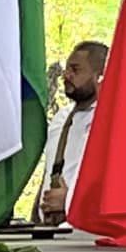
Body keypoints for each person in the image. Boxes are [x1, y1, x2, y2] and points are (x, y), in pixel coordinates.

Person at [35, 40, 108, 226]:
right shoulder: (61, 118)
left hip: (85, 234)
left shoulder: (111, 122)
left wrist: (70, 201)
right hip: (49, 230)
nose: (67, 75)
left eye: (76, 70)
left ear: (100, 75)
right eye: (67, 69)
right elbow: (50, 172)